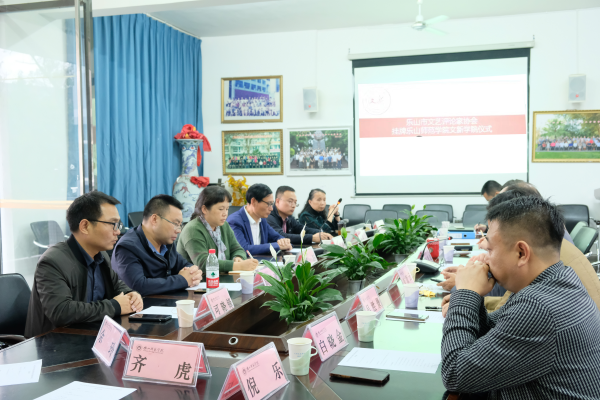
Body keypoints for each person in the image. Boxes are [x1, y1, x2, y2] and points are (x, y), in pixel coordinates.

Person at [441, 196, 600, 398]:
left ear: (521, 253)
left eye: (490, 249)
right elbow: (495, 332)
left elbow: (455, 374)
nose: (486, 258)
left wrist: (466, 293)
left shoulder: (538, 307)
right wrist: (471, 300)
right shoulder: (561, 279)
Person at [25, 191, 143, 338]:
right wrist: (115, 306)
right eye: (113, 224)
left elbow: (117, 286)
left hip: (89, 336)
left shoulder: (101, 255)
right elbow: (61, 312)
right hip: (52, 344)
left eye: (118, 224)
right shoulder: (52, 262)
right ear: (85, 226)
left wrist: (131, 295)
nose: (118, 231)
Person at [112, 195, 203, 296]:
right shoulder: (128, 247)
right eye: (175, 224)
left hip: (167, 301)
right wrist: (182, 280)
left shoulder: (167, 243)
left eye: (180, 225)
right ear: (154, 219)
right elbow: (138, 286)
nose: (178, 230)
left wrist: (193, 273)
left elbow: (184, 265)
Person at [178, 186, 259, 274]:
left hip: (221, 277)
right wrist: (237, 266)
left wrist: (237, 257)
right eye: (221, 209)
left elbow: (237, 248)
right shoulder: (192, 229)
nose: (225, 213)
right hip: (200, 280)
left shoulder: (224, 225)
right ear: (204, 209)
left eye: (227, 209)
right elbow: (203, 264)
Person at [227, 183, 292, 255]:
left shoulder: (262, 219)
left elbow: (277, 237)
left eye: (272, 204)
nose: (271, 208)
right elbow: (243, 249)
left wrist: (284, 242)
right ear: (253, 201)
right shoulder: (235, 221)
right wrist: (277, 246)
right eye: (268, 204)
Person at [267, 186, 333, 245]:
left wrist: (321, 233)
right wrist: (312, 238)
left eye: (295, 202)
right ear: (277, 201)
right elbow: (281, 236)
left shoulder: (289, 217)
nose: (293, 205)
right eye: (290, 201)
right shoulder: (269, 216)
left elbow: (300, 228)